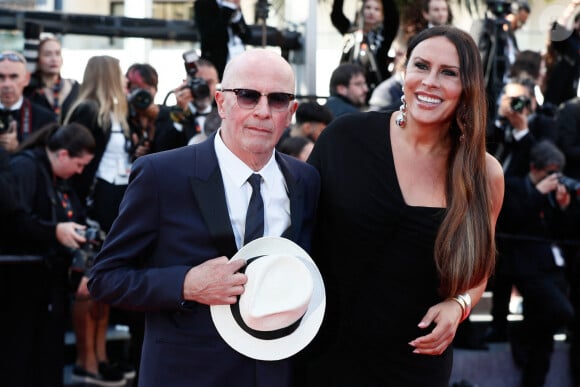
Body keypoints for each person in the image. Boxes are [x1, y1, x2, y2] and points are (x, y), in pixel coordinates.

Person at [87, 48, 320, 387]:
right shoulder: (161, 174)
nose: (263, 111)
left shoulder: (305, 180)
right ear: (221, 102)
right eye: (248, 96)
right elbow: (105, 278)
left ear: (292, 111)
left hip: (276, 372)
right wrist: (186, 284)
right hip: (186, 372)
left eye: (279, 99)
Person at [304, 26, 504, 386]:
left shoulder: (483, 173)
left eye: (448, 73)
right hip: (324, 350)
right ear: (404, 72)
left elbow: (479, 269)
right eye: (421, 66)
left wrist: (459, 306)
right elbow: (296, 232)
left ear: (469, 87)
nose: (430, 81)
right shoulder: (345, 138)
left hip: (415, 361)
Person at [0, 123, 95, 387]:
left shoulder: (58, 178)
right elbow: (13, 222)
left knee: (46, 357)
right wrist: (54, 231)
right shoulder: (25, 168)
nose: (80, 171)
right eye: (79, 164)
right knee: (19, 358)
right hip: (19, 285)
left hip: (45, 283)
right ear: (63, 154)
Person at [63, 55, 131, 386]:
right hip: (93, 203)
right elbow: (80, 167)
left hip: (116, 201)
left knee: (104, 284)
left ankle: (101, 355)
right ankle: (86, 360)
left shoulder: (119, 113)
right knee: (87, 285)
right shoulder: (87, 111)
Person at [498, 140, 576, 387]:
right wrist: (538, 194)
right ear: (534, 167)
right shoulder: (514, 187)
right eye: (550, 173)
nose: (554, 178)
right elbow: (512, 221)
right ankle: (520, 333)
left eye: (557, 173)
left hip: (553, 268)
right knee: (562, 312)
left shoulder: (553, 195)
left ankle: (533, 380)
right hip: (525, 267)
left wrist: (564, 207)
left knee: (544, 344)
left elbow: (562, 232)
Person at [331, 0, 400, 92]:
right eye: (368, 7)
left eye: (377, 9)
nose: (371, 12)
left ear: (382, 14)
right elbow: (336, 15)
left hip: (377, 88)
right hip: (349, 89)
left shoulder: (385, 35)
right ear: (362, 10)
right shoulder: (351, 31)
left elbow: (392, 15)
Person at [126, 63, 187, 158]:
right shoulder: (124, 119)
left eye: (147, 88)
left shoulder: (170, 115)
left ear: (156, 89)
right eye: (136, 89)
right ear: (128, 90)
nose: (142, 94)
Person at [0, 50, 57, 152]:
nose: (7, 84)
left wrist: (18, 148)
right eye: (1, 77)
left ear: (26, 79)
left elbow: (48, 161)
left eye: (14, 77)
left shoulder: (45, 119)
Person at [24, 36, 80, 123]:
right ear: (38, 59)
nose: (54, 59)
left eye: (57, 54)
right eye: (47, 54)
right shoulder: (29, 90)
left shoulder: (75, 87)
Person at [194, 0, 250, 80]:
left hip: (238, 60)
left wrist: (237, 17)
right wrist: (228, 8)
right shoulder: (204, 3)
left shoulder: (233, 5)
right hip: (218, 63)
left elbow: (247, 36)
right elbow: (211, 36)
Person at [171, 58, 222, 144]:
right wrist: (180, 111)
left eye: (209, 82)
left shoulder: (225, 115)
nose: (204, 88)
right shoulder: (170, 115)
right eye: (199, 82)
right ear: (186, 84)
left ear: (217, 83)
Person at [543, 0, 580, 108]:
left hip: (572, 97)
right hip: (555, 98)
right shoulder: (569, 40)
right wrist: (572, 6)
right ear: (576, 23)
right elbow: (558, 29)